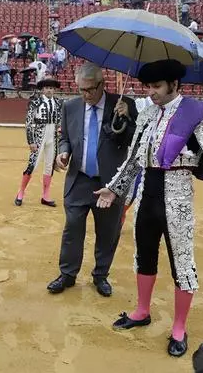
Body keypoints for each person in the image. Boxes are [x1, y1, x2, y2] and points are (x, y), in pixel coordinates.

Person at [94, 59, 203, 358]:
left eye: (157, 87)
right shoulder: (147, 115)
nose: (151, 93)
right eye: (148, 87)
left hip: (178, 195)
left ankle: (179, 327)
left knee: (181, 261)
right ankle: (142, 310)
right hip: (147, 194)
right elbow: (134, 159)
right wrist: (114, 187)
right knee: (143, 254)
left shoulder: (196, 114)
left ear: (174, 84)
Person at [47, 63, 138, 298]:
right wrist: (63, 152)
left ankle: (101, 275)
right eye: (81, 90)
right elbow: (65, 137)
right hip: (79, 179)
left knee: (108, 231)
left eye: (90, 89)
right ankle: (67, 274)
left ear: (102, 85)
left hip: (109, 182)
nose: (85, 95)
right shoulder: (71, 107)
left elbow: (133, 140)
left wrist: (125, 119)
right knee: (72, 228)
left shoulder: (123, 104)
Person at [15, 77, 63, 207]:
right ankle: (21, 192)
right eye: (47, 88)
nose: (49, 90)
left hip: (52, 137)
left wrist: (60, 129)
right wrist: (31, 141)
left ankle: (45, 196)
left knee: (49, 166)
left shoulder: (59, 103)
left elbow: (61, 121)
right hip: (38, 137)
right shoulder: (35, 102)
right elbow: (29, 123)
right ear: (42, 90)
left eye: (52, 88)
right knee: (32, 166)